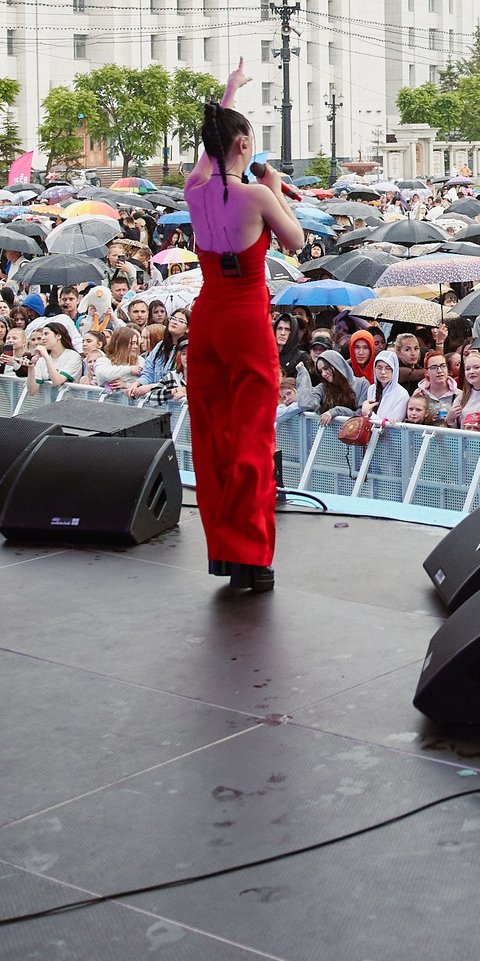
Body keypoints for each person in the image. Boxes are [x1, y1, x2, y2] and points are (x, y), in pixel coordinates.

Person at [185, 79, 304, 594]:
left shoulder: (194, 191)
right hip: (246, 320)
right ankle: (253, 557)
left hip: (206, 317)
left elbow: (207, 156)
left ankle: (223, 553)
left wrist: (227, 96)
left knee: (214, 435)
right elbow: (296, 241)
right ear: (241, 146)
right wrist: (276, 188)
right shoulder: (256, 194)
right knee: (254, 436)